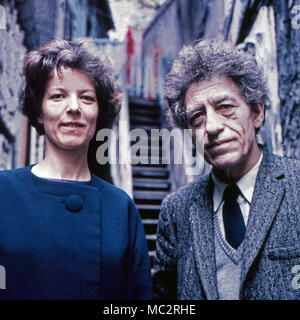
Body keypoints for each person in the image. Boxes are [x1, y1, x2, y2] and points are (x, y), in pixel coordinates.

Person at [0, 39, 153, 300]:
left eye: (86, 98)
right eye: (58, 96)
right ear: (39, 111)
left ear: (99, 113)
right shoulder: (4, 192)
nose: (74, 108)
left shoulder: (120, 207)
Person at [153, 39, 300, 300]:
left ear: (257, 113)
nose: (211, 127)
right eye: (197, 116)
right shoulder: (176, 211)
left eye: (225, 107)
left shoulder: (296, 185)